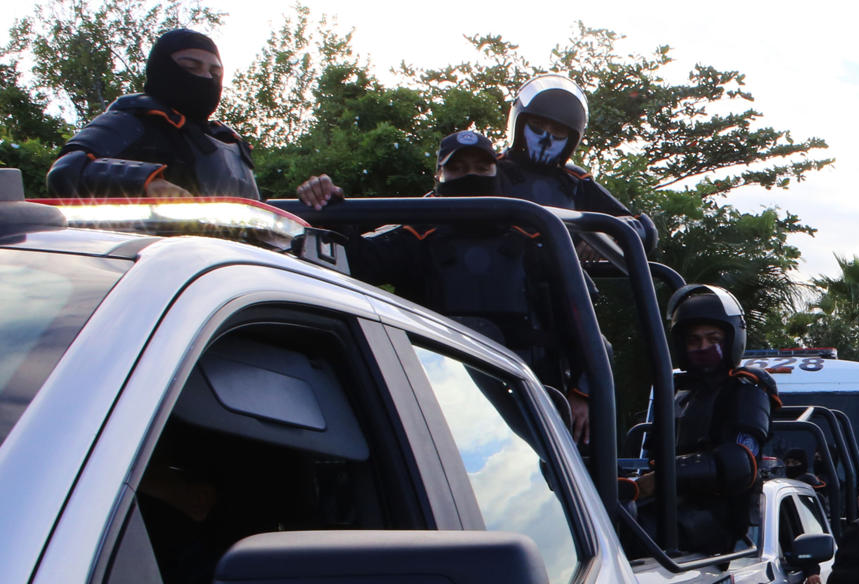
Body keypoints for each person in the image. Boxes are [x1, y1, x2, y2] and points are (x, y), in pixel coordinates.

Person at [296, 130, 591, 440]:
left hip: (532, 400)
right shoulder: (416, 234)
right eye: (457, 169)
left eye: (481, 168)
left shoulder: (536, 235)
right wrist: (330, 208)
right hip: (437, 399)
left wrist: (582, 393)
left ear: (496, 172)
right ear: (439, 176)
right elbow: (356, 263)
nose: (470, 176)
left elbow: (581, 320)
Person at [630, 284, 777, 553]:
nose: (703, 347)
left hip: (717, 519)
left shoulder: (747, 391)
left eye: (713, 339)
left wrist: (664, 476)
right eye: (694, 340)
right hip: (673, 506)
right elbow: (651, 456)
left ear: (732, 340)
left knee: (627, 532)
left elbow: (739, 465)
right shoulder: (680, 394)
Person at [47, 29, 259, 199]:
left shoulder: (229, 141)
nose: (206, 77)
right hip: (149, 239)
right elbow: (67, 169)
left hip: (229, 241)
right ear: (162, 69)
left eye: (215, 72)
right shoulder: (132, 120)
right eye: (191, 67)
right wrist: (147, 182)